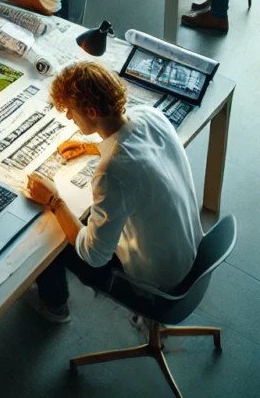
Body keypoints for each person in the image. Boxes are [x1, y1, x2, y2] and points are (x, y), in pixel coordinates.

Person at [24, 62, 202, 323]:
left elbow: (94, 256)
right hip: (188, 251)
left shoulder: (112, 173)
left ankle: (55, 308)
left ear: (92, 111)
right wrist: (93, 148)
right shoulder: (150, 116)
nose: (68, 118)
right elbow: (138, 151)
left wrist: (53, 200)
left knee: (51, 238)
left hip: (158, 283)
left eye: (71, 112)